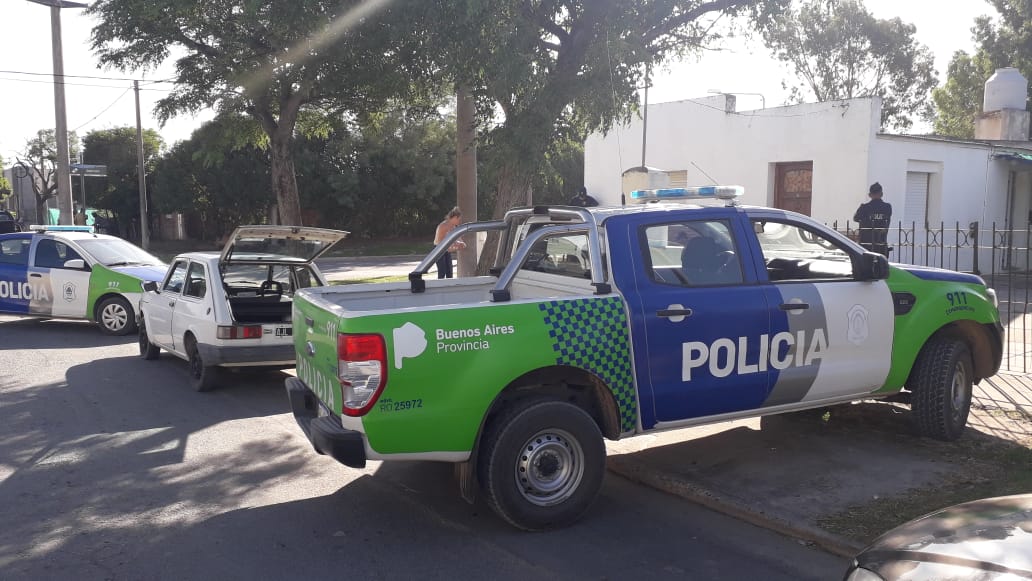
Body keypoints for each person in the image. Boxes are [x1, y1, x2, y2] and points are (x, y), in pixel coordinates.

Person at [853, 182, 893, 257]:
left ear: (869, 195)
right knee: (881, 264)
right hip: (881, 245)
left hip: (866, 246)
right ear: (881, 194)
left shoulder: (864, 207)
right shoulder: (887, 207)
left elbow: (855, 218)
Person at [434, 207, 466, 279]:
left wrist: (461, 243)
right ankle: (440, 285)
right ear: (454, 217)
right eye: (459, 219)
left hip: (446, 249)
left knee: (449, 272)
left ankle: (449, 285)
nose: (459, 221)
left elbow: (458, 239)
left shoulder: (454, 227)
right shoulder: (443, 226)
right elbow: (441, 243)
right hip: (438, 249)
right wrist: (455, 246)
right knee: (442, 272)